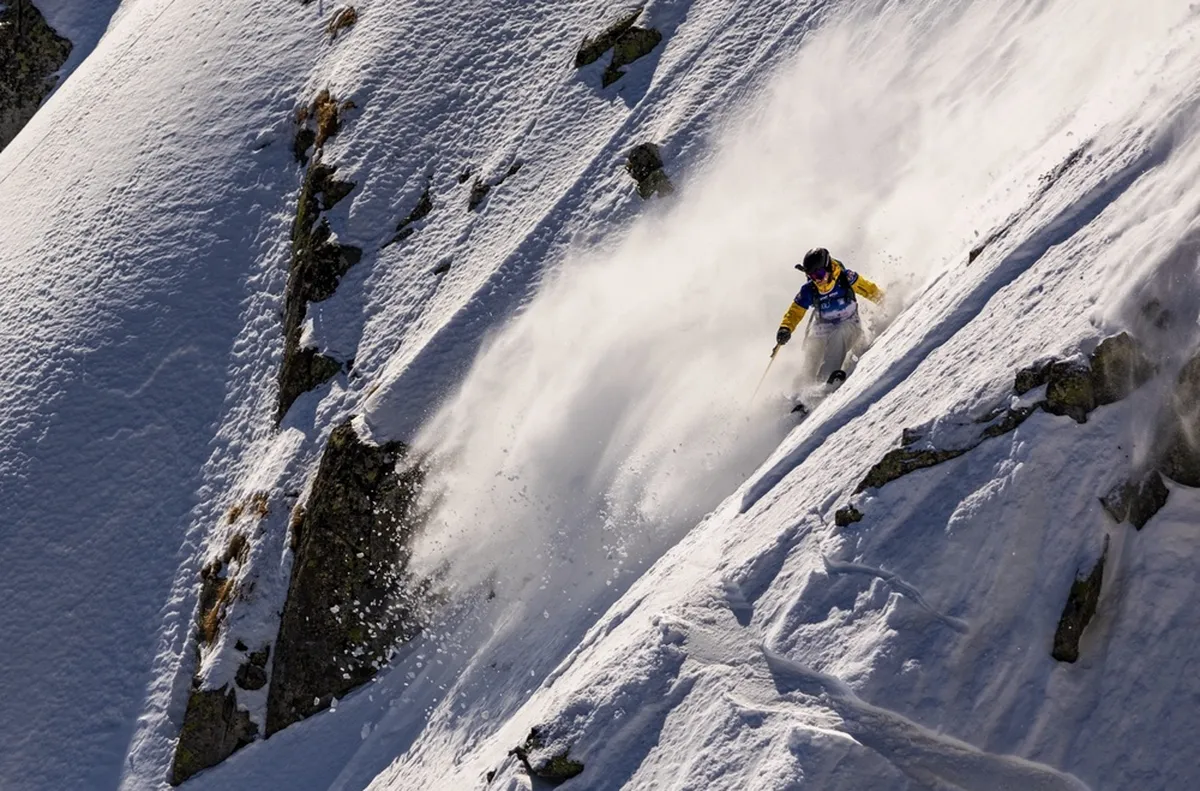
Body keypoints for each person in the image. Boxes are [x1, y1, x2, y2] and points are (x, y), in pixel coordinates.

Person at [775, 247, 884, 385]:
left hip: (849, 325)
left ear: (828, 268)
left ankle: (825, 380)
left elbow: (870, 290)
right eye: (812, 276)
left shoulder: (846, 278)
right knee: (812, 346)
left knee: (839, 335)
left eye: (819, 274)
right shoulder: (810, 289)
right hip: (823, 328)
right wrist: (786, 328)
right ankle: (802, 394)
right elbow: (795, 311)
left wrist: (888, 301)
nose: (817, 280)